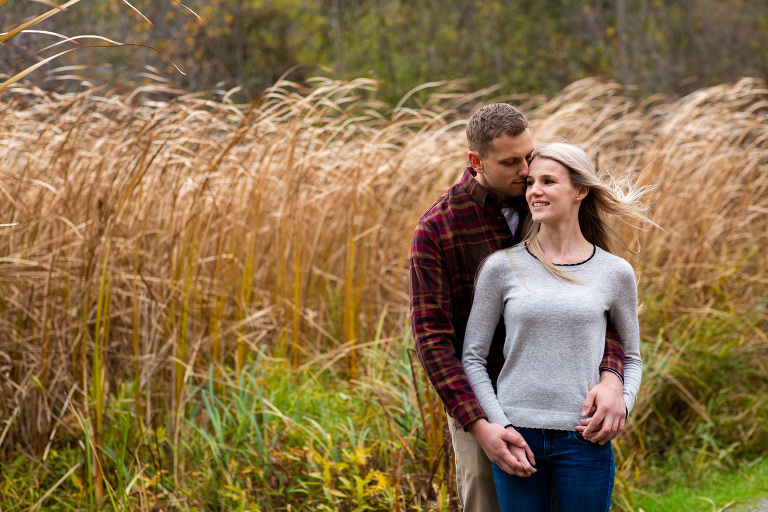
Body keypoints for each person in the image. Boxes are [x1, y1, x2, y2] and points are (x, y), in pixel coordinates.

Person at [409, 104, 628, 512]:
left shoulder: (548, 199)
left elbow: (601, 304)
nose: (527, 171)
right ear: (476, 162)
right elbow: (433, 341)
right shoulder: (438, 229)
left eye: (529, 154)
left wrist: (613, 377)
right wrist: (481, 426)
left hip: (567, 412)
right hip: (482, 406)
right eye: (511, 162)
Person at [461, 142, 647, 511]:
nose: (535, 191)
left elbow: (632, 358)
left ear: (580, 190)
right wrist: (500, 424)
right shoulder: (502, 267)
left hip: (584, 440)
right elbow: (473, 357)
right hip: (518, 438)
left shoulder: (614, 273)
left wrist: (622, 405)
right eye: (531, 182)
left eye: (548, 181)